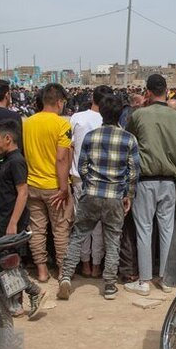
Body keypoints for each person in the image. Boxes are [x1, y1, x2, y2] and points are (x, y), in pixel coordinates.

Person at [58, 94, 140, 302]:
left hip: (91, 193)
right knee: (113, 239)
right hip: (115, 196)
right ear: (120, 113)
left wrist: (90, 184)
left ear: (102, 113)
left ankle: (66, 276)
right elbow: (133, 172)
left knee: (78, 235)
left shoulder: (91, 137)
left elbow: (83, 166)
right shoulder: (129, 139)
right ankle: (110, 285)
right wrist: (128, 194)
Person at [124, 74, 176, 296]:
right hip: (169, 181)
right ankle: (165, 278)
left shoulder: (139, 115)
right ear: (167, 90)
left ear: (148, 92)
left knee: (144, 229)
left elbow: (129, 142)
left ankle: (144, 281)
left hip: (145, 180)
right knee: (167, 229)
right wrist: (175, 169)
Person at [0, 120, 46, 317]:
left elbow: (23, 193)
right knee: (8, 261)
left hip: (13, 219)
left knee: (7, 261)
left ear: (8, 138)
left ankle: (32, 291)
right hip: (3, 215)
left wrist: (13, 222)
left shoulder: (17, 161)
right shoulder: (5, 160)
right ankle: (15, 303)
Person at [23, 83, 74, 283]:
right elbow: (61, 159)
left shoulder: (27, 123)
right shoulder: (62, 125)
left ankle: (42, 271)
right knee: (60, 229)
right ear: (60, 102)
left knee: (37, 230)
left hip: (32, 184)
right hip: (54, 186)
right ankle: (62, 271)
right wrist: (63, 188)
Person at [69, 86, 110, 278]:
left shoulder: (77, 117)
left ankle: (84, 264)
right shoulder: (107, 121)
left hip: (78, 176)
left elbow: (70, 146)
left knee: (82, 222)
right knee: (99, 225)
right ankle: (96, 266)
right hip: (101, 179)